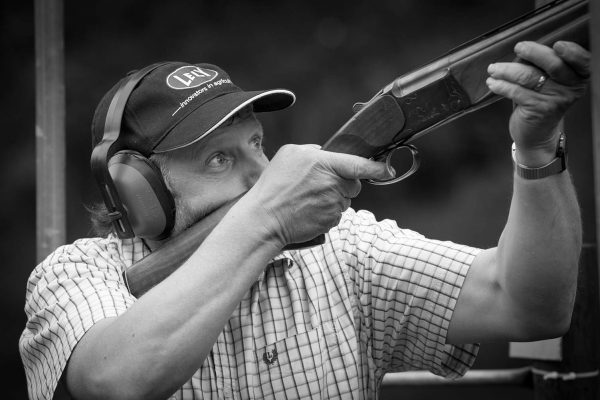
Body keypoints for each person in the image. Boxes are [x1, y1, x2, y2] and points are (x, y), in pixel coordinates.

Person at [20, 40, 589, 400]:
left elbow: (529, 304)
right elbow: (118, 381)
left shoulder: (342, 250)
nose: (261, 175)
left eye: (256, 146)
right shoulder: (77, 276)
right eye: (218, 160)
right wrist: (265, 220)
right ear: (138, 191)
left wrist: (537, 151)